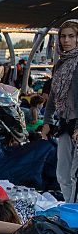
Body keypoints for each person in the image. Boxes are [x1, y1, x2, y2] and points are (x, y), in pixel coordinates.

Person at [45, 19, 78, 202]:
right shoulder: (60, 63)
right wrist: (47, 121)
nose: (66, 40)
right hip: (65, 123)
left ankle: (75, 216)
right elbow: (53, 95)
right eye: (63, 36)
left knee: (76, 174)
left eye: (71, 36)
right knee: (63, 174)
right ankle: (70, 208)